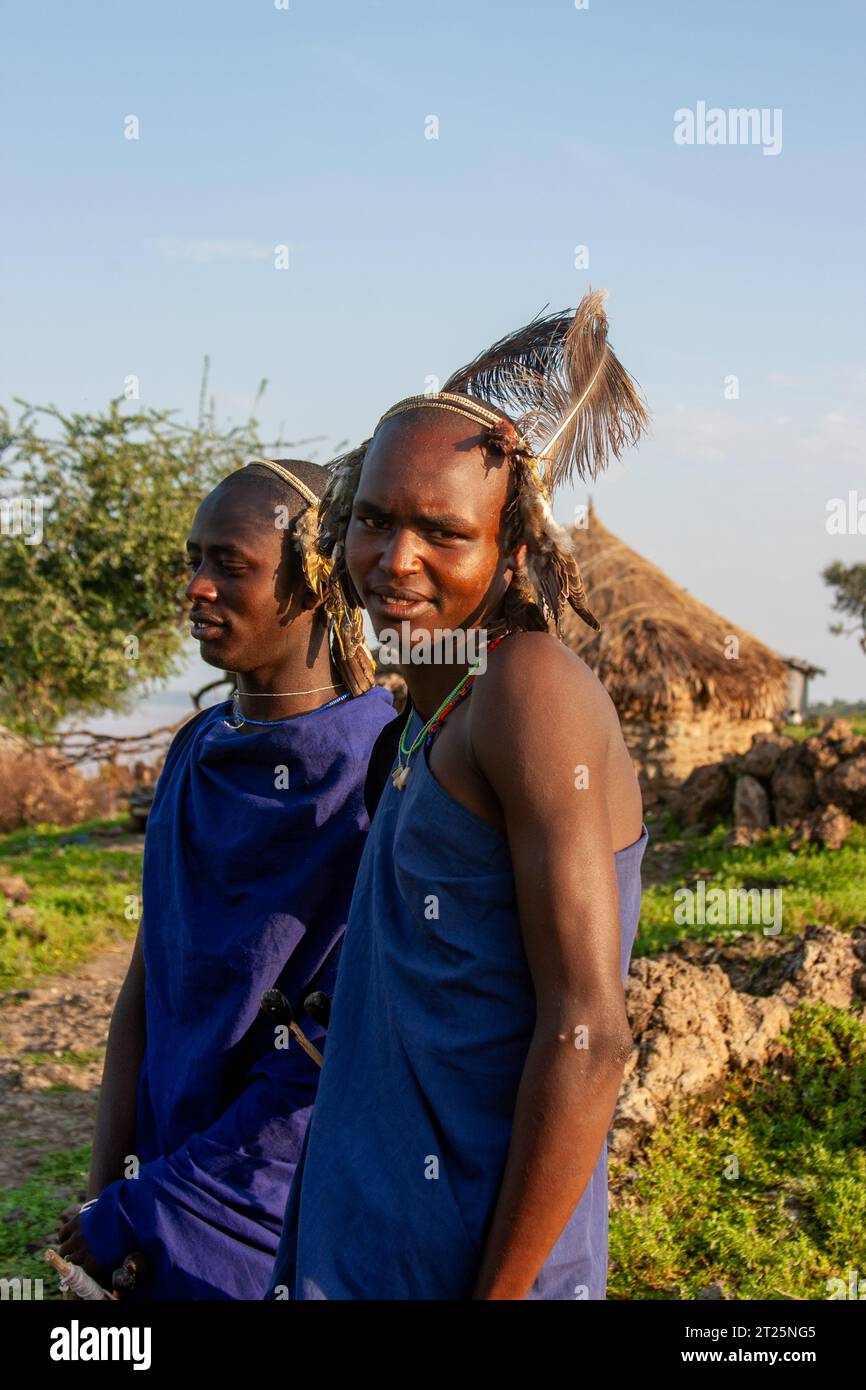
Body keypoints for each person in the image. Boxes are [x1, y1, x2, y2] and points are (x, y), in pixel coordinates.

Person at [268, 292, 651, 1300]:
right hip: (369, 1243)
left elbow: (589, 1030)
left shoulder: (525, 690)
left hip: (475, 1263)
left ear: (511, 553)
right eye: (373, 521)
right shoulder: (419, 720)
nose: (395, 560)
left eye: (442, 532)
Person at [58, 459, 395, 1299]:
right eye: (193, 561)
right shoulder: (194, 750)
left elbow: (331, 1058)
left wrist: (157, 1210)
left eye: (231, 565)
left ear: (320, 579)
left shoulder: (381, 775)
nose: (198, 588)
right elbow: (149, 984)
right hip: (156, 1188)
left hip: (272, 1222)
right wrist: (112, 1192)